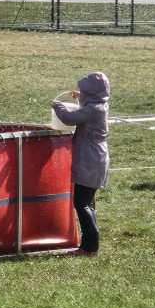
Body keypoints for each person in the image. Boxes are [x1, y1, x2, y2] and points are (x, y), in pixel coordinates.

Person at [51, 71, 110, 257]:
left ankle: (90, 247)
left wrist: (57, 106)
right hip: (95, 156)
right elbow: (88, 109)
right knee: (86, 203)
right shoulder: (100, 105)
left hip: (91, 158)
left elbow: (69, 119)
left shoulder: (93, 110)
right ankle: (89, 246)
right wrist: (81, 98)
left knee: (82, 203)